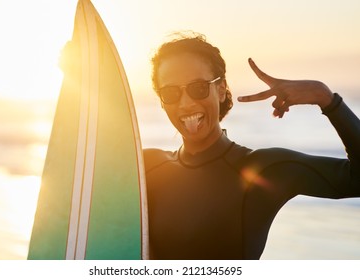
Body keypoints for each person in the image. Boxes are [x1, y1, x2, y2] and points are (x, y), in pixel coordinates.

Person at [144, 32, 360, 260]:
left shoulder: (264, 171)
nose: (185, 103)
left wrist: (325, 98)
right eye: (170, 92)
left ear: (220, 89)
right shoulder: (144, 168)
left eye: (198, 88)